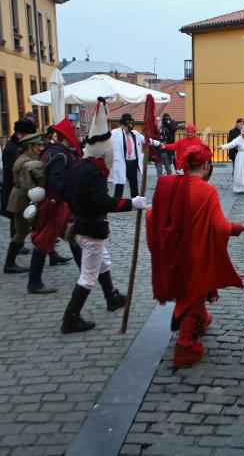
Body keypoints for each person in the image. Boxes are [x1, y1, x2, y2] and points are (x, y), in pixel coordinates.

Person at [147, 144, 244, 368]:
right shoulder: (207, 191)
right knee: (194, 296)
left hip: (174, 253)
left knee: (194, 294)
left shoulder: (168, 184)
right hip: (195, 254)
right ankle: (184, 346)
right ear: (207, 165)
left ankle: (203, 320)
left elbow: (153, 217)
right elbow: (219, 227)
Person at [60, 98, 145, 334]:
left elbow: (68, 193)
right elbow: (102, 202)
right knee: (88, 276)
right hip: (90, 228)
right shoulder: (95, 171)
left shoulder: (79, 165)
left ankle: (112, 297)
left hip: (80, 225)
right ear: (104, 151)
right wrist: (131, 203)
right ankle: (71, 318)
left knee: (103, 262)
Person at [26, 118, 82, 293]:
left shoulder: (57, 151)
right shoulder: (60, 154)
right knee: (43, 242)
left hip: (57, 203)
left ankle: (87, 273)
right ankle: (34, 283)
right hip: (55, 205)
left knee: (73, 236)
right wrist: (70, 196)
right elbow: (55, 182)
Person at [4, 133, 46, 273]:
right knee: (21, 232)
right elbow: (28, 185)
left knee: (40, 228)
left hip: (24, 197)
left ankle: (52, 255)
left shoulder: (28, 158)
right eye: (38, 145)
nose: (40, 148)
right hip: (22, 199)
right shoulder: (25, 162)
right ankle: (9, 264)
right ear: (30, 146)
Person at [2, 119, 37, 256]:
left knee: (22, 219)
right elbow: (11, 173)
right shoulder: (11, 149)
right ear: (21, 134)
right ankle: (17, 245)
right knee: (15, 218)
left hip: (21, 189)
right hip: (14, 189)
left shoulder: (18, 146)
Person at [111, 113, 160, 198]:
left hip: (132, 162)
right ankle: (116, 201)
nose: (130, 126)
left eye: (131, 123)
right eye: (128, 124)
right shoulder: (115, 133)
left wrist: (160, 144)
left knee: (134, 183)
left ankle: (135, 200)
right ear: (123, 124)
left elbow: (146, 140)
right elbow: (104, 141)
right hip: (122, 162)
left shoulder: (135, 133)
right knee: (120, 183)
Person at [219, 125, 244, 193]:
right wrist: (223, 147)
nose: (243, 132)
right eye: (242, 131)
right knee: (241, 171)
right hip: (241, 157)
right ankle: (241, 188)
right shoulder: (238, 139)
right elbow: (231, 144)